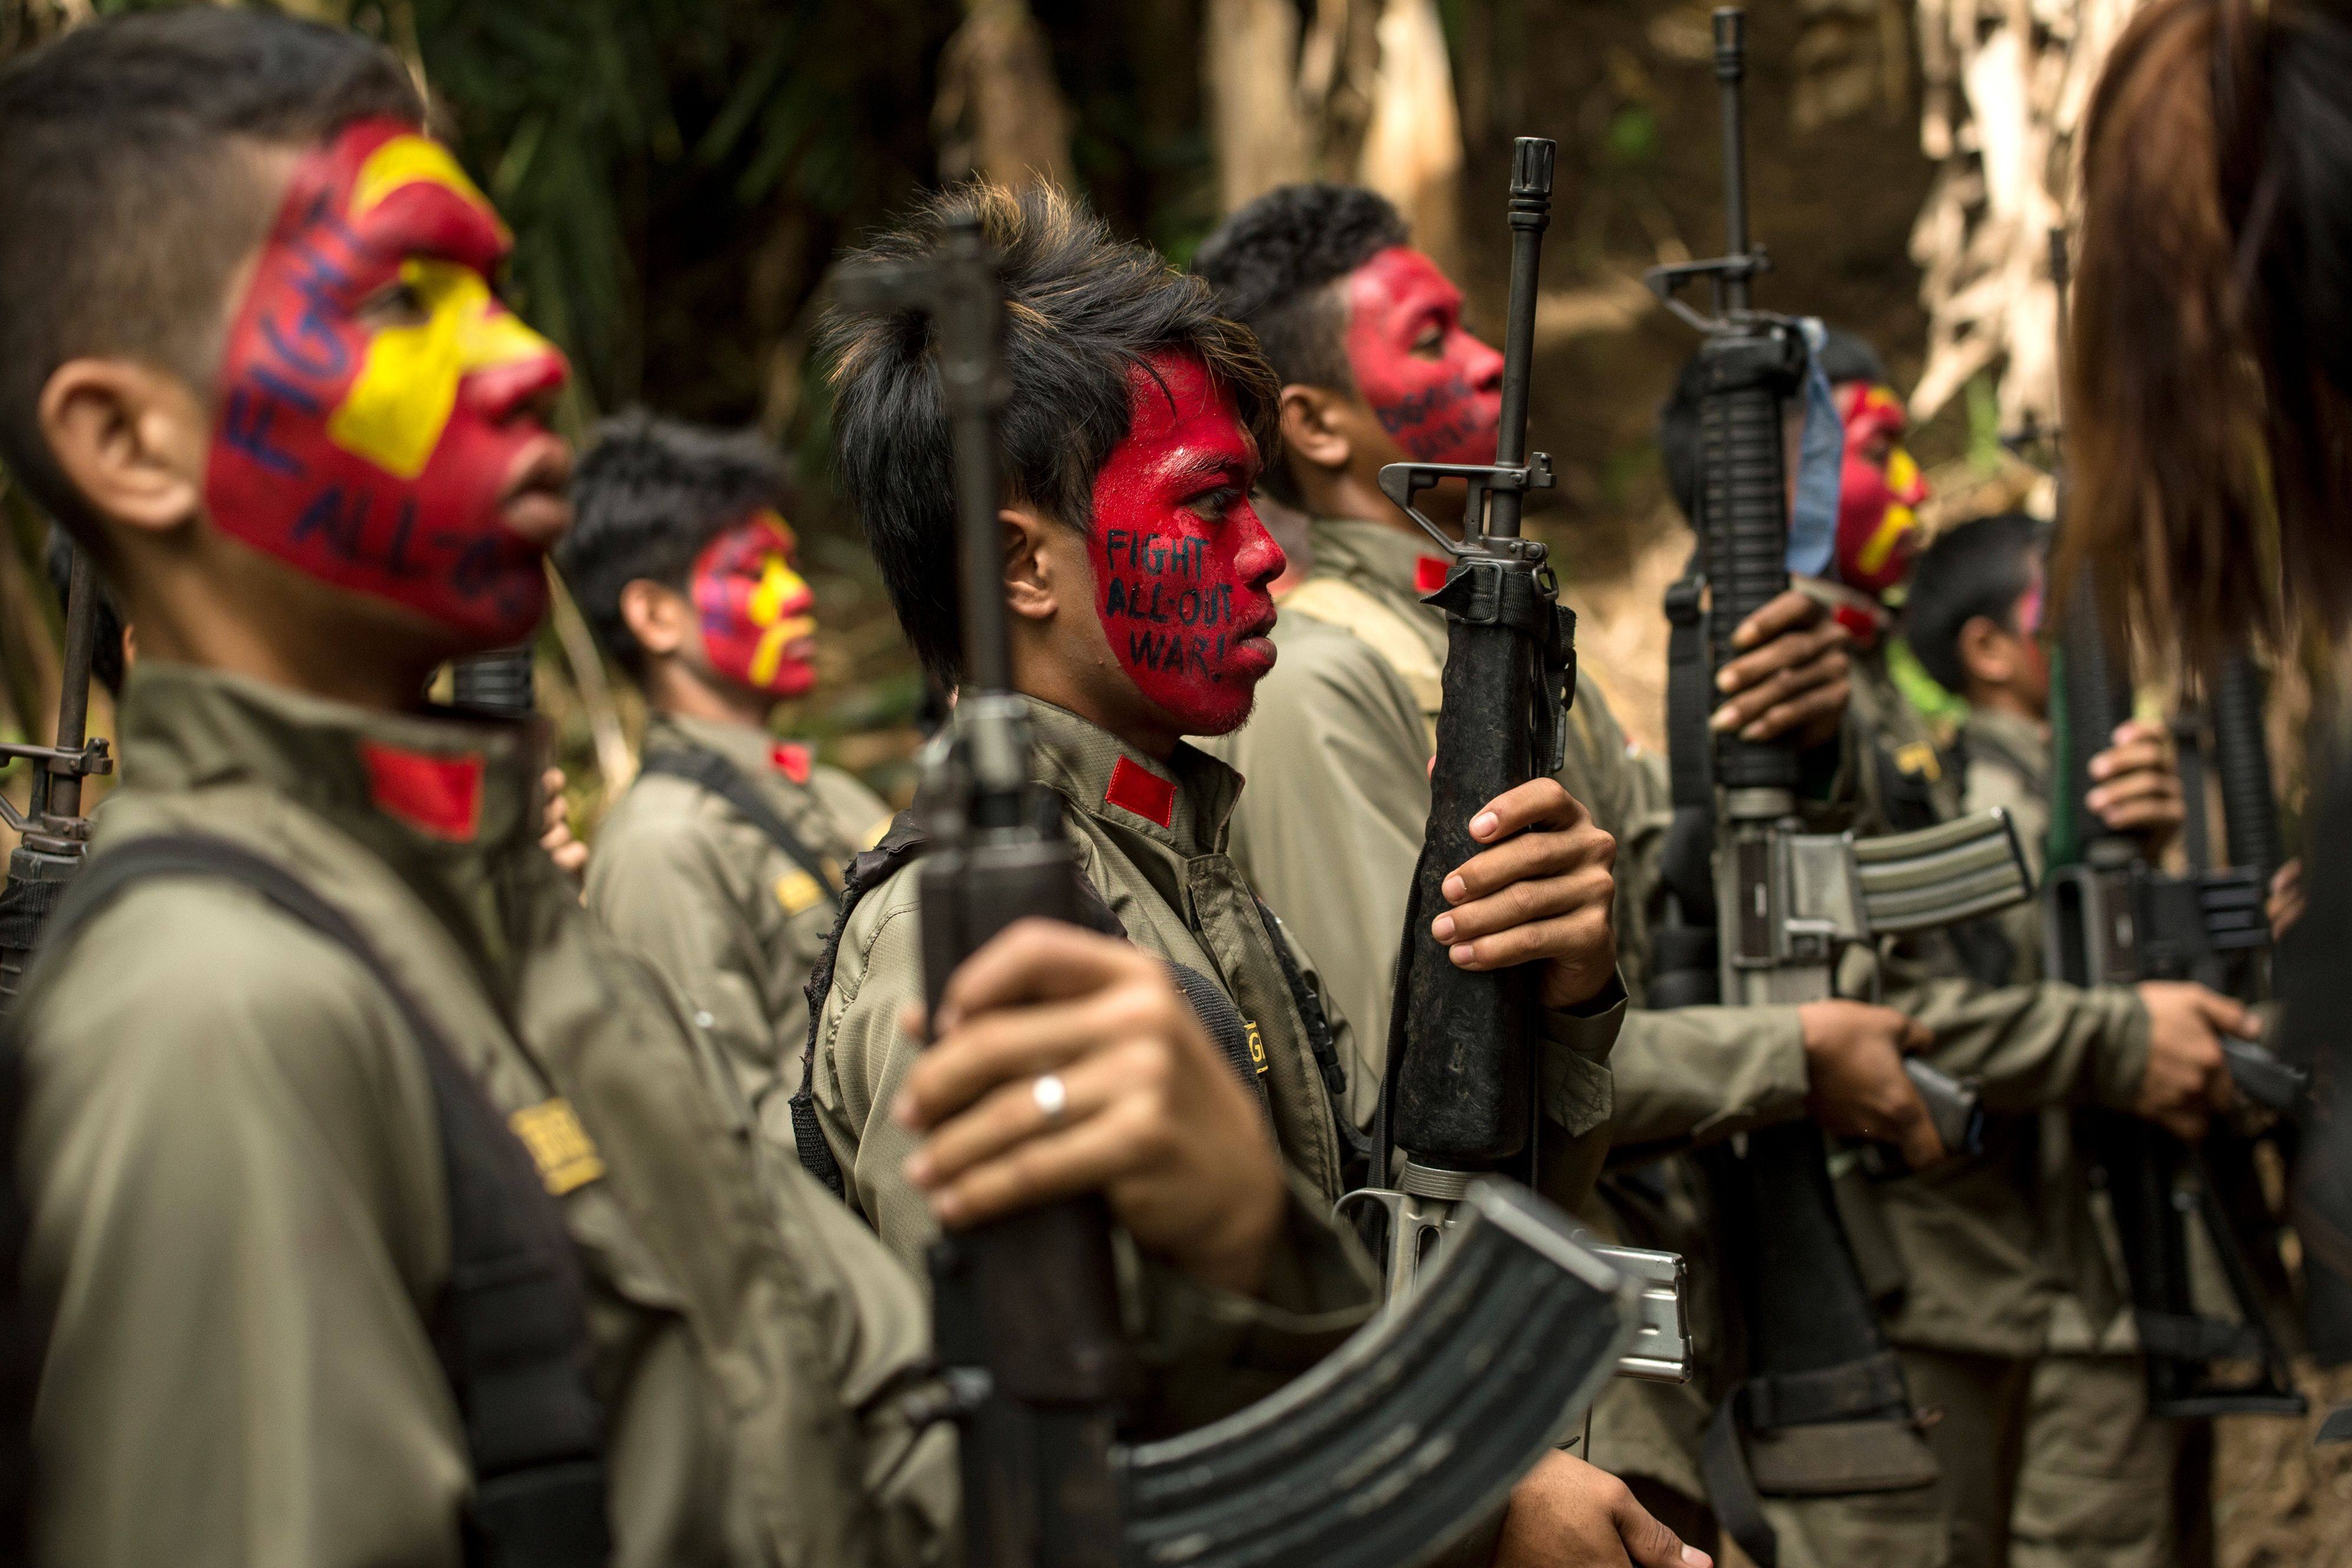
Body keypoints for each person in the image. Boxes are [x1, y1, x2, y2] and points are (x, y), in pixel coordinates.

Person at [0, 12, 1372, 1565]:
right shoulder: (219, 1012)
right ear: (126, 440)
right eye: (401, 301)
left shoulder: (519, 939)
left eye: (498, 297)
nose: (525, 362)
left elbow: (888, 1478)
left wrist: (1246, 1247)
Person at [811, 181, 1703, 1566]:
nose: (1266, 552)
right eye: (1210, 502)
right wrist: (1479, 1509)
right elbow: (1065, 1488)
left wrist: (1560, 1002)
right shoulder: (973, 934)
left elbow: (1389, 1240)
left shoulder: (1175, 864)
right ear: (1019, 567)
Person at [1193, 181, 1960, 1556]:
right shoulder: (1323, 683)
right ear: (1311, 424)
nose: (1486, 357)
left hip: (1638, 1312)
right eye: (1427, 340)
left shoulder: (1506, 645)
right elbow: (1422, 1092)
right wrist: (1791, 1053)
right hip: (1530, 1388)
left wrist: (1791, 744)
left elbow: (1671, 902)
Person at [1661, 335, 2256, 1568]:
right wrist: (2118, 1032)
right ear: (1778, 469)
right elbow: (1869, 1003)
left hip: (1991, 1257)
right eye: (1878, 450)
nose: (1917, 489)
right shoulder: (1763, 681)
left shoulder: (1881, 704)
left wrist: (2135, 857)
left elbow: (1978, 960)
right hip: (1893, 1278)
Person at [556, 412, 891, 1123]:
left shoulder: (830, 792)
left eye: (788, 565)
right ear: (655, 616)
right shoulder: (663, 843)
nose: (796, 593)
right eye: (751, 570)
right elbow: (723, 1129)